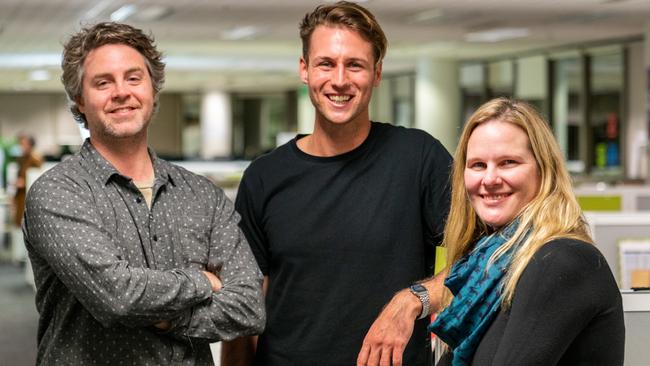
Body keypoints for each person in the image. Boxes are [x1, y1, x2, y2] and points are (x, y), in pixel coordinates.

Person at [221, 2, 452, 365]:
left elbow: (483, 255)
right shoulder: (265, 177)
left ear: (377, 73)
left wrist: (413, 300)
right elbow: (243, 306)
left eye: (355, 65)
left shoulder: (419, 158)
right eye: (326, 63)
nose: (340, 80)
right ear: (304, 69)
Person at [23, 22, 265, 365]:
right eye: (103, 82)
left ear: (153, 89)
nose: (121, 92)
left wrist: (170, 319)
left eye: (134, 78)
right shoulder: (58, 193)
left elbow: (249, 307)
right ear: (79, 99)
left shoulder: (201, 194)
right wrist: (202, 282)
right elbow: (117, 296)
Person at [429, 98, 625, 365]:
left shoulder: (561, 260)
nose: (490, 179)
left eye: (508, 162)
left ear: (544, 170)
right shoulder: (489, 267)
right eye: (477, 165)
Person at [13, 134, 43, 227]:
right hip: (20, 195)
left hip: (28, 196)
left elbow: (38, 177)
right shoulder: (22, 158)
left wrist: (24, 183)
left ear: (30, 145)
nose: (21, 146)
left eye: (23, 144)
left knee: (27, 224)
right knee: (18, 223)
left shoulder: (35, 159)